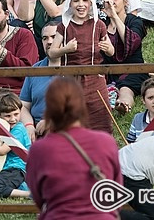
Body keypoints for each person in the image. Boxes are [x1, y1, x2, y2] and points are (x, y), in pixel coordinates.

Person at [25, 78, 122, 220]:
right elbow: (115, 194)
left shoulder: (40, 149)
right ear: (81, 105)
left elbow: (38, 198)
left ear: (49, 109)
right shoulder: (106, 142)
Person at [48, 0, 111, 134]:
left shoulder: (99, 25)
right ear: (70, 3)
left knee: (100, 119)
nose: (81, 4)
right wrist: (66, 49)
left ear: (90, 3)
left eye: (85, 0)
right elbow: (51, 52)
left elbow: (111, 50)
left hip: (95, 79)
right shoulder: (64, 26)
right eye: (76, 1)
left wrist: (108, 49)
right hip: (72, 79)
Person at [99, 0, 148, 115]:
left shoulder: (135, 21)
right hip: (107, 70)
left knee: (126, 88)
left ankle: (123, 104)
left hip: (132, 68)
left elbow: (132, 42)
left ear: (125, 1)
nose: (111, 2)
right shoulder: (101, 24)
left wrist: (114, 16)